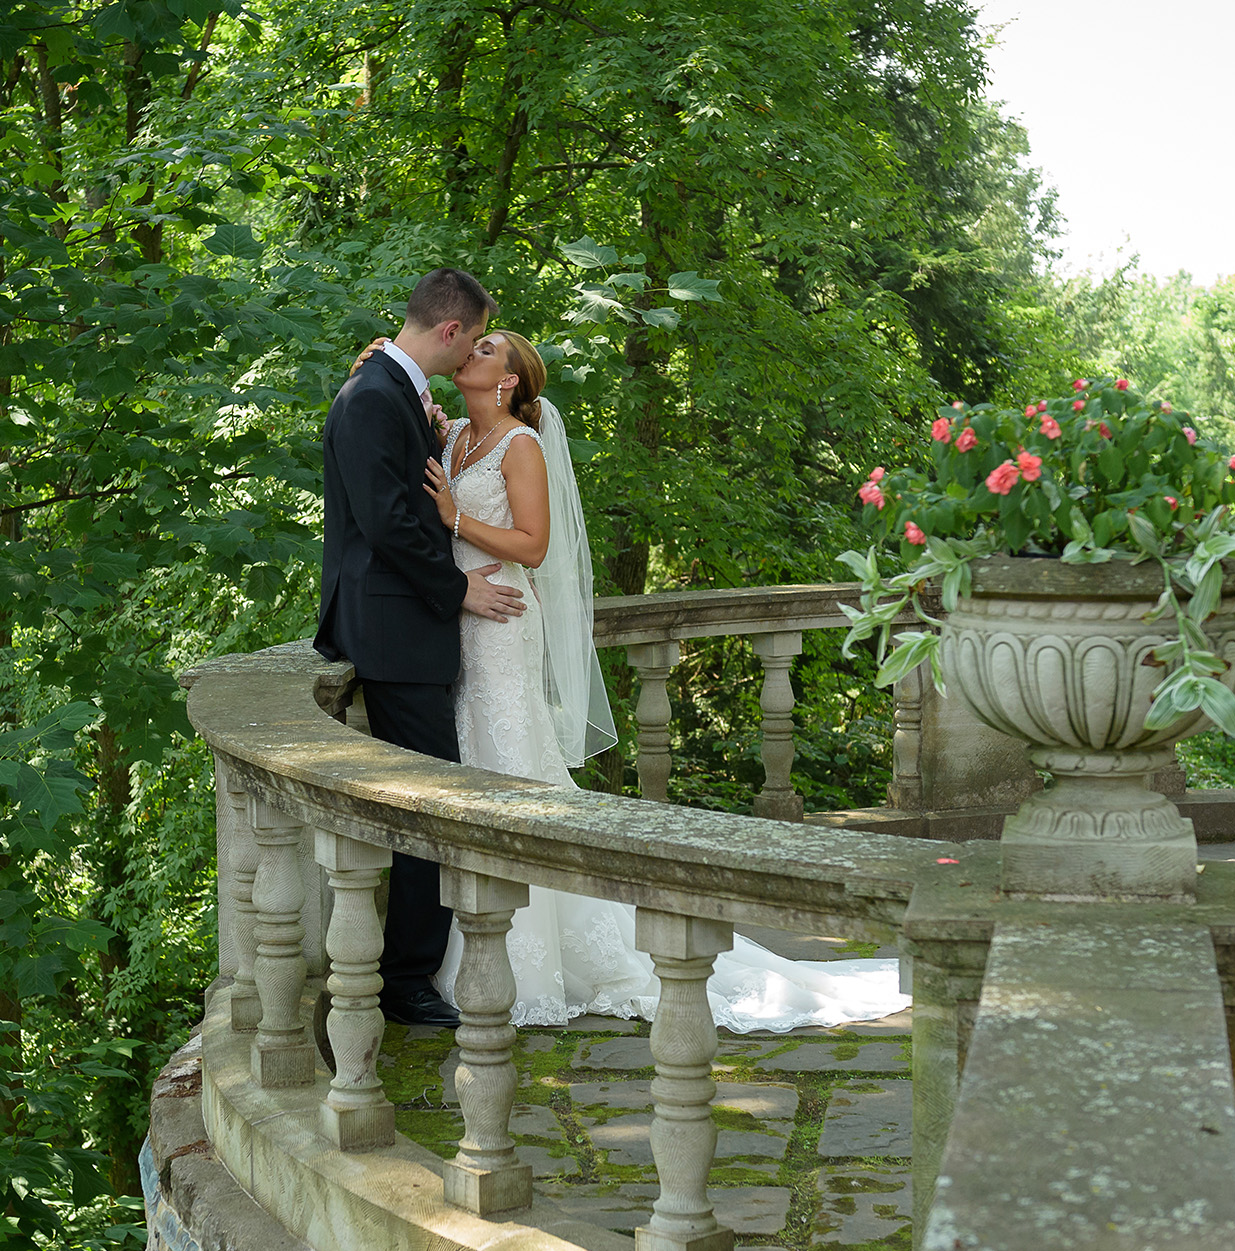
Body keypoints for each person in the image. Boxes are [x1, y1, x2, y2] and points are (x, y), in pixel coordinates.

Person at [356, 329, 910, 1032]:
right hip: (454, 624)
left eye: (488, 348)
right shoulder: (456, 434)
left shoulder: (519, 447)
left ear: (511, 382)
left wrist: (455, 516)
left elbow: (535, 544)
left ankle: (529, 958)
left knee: (508, 771)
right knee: (464, 773)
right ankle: (452, 951)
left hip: (499, 625)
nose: (471, 350)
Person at [315, 269, 525, 1028]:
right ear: (449, 331)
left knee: (429, 798)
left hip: (399, 624)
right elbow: (386, 522)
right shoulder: (371, 396)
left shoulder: (387, 389)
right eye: (471, 336)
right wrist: (455, 589)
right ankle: (404, 980)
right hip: (394, 628)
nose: (471, 349)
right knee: (428, 805)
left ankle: (413, 968)